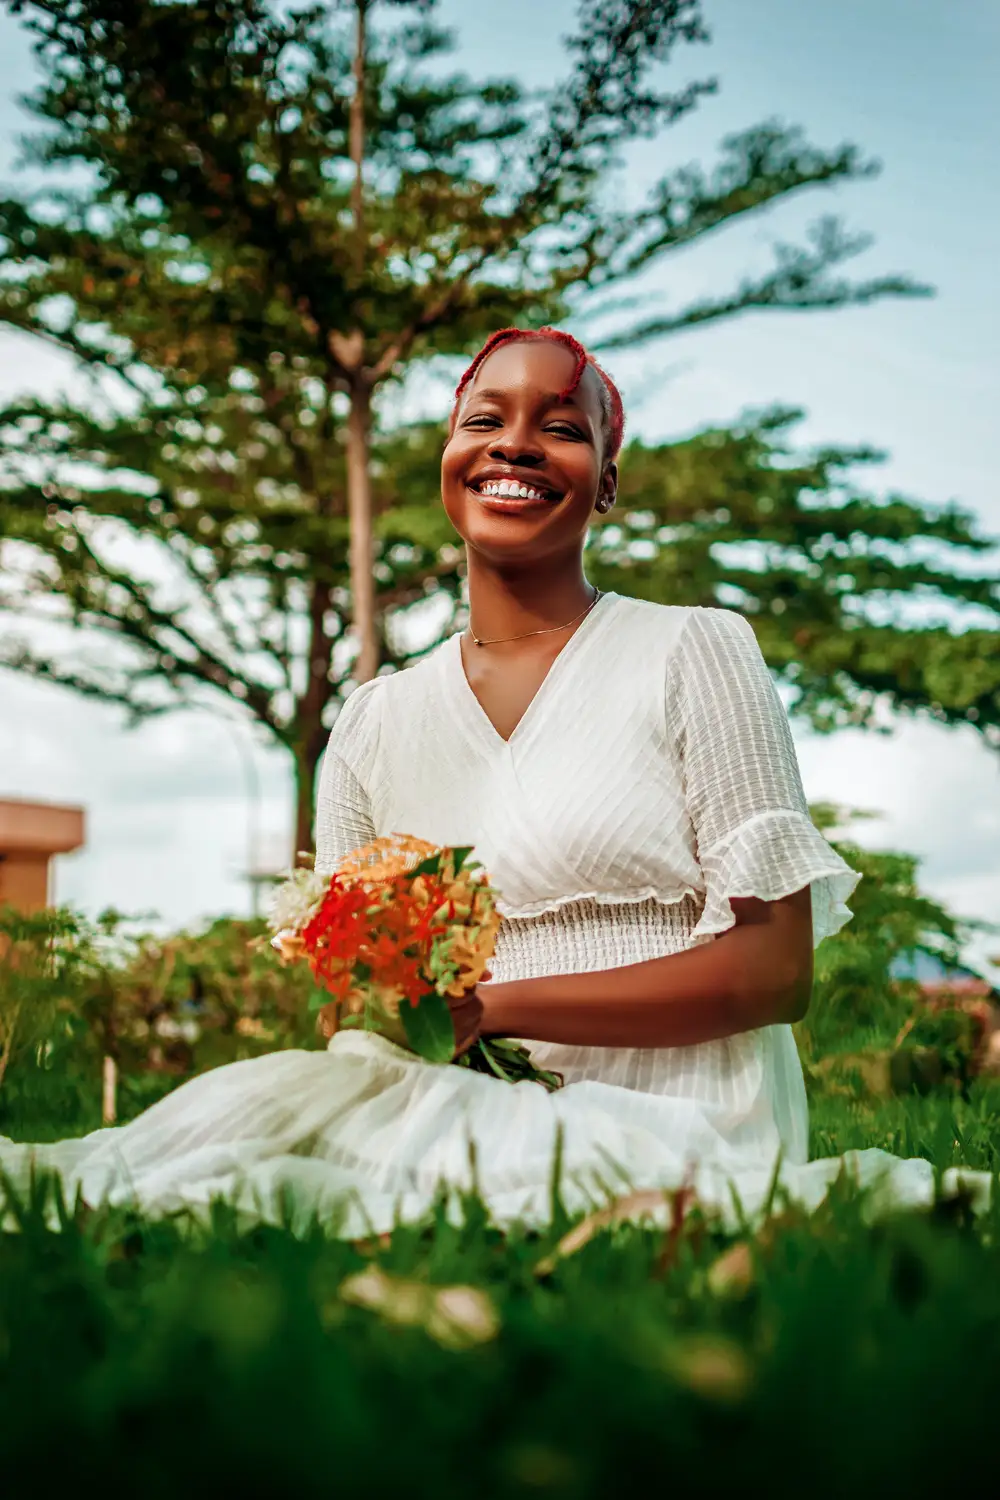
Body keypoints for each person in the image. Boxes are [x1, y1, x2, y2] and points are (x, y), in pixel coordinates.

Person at [0, 328, 989, 1235]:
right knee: (197, 1163)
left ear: (605, 482)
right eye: (485, 420)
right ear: (447, 461)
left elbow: (773, 975)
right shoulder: (376, 720)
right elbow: (362, 1001)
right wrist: (415, 1011)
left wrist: (498, 1007)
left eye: (559, 427)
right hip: (442, 1090)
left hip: (681, 1107)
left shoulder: (693, 651)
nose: (513, 445)